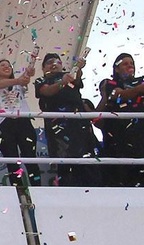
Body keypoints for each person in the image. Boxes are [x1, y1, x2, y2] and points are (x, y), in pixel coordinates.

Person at [99, 53, 144, 187]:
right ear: (116, 69)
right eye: (125, 64)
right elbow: (119, 95)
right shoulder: (111, 83)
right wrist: (139, 89)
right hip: (126, 137)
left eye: (132, 63)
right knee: (132, 174)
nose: (130, 66)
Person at [35, 53, 99, 187]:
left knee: (87, 161)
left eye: (57, 62)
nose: (54, 64)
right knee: (65, 165)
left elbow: (77, 79)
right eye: (49, 62)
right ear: (43, 68)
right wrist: (62, 83)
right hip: (58, 129)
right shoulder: (41, 80)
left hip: (80, 126)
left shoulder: (69, 75)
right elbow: (46, 91)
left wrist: (79, 67)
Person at [0, 55, 39, 186]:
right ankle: (19, 191)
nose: (7, 67)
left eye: (9, 65)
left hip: (23, 121)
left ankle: (37, 188)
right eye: (2, 65)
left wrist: (28, 72)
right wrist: (19, 80)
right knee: (12, 160)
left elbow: (24, 79)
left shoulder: (18, 84)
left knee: (30, 157)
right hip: (4, 124)